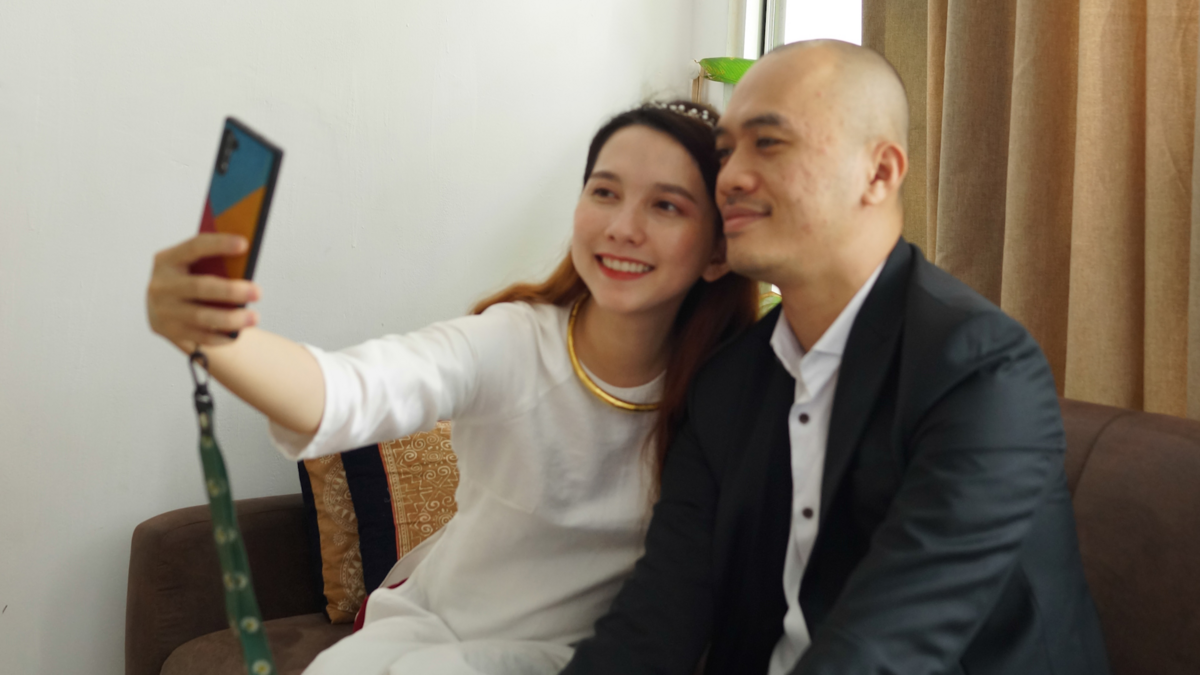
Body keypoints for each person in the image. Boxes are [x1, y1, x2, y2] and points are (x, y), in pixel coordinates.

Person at [145, 100, 759, 675]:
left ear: (718, 253)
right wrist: (222, 340)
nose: (622, 227)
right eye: (604, 192)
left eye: (666, 206)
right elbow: (354, 389)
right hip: (432, 634)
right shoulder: (513, 342)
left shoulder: (731, 393)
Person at [561, 41, 1110, 675]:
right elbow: (655, 620)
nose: (730, 177)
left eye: (769, 143)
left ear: (879, 173)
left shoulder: (981, 370)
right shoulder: (727, 382)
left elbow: (886, 648)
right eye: (726, 152)